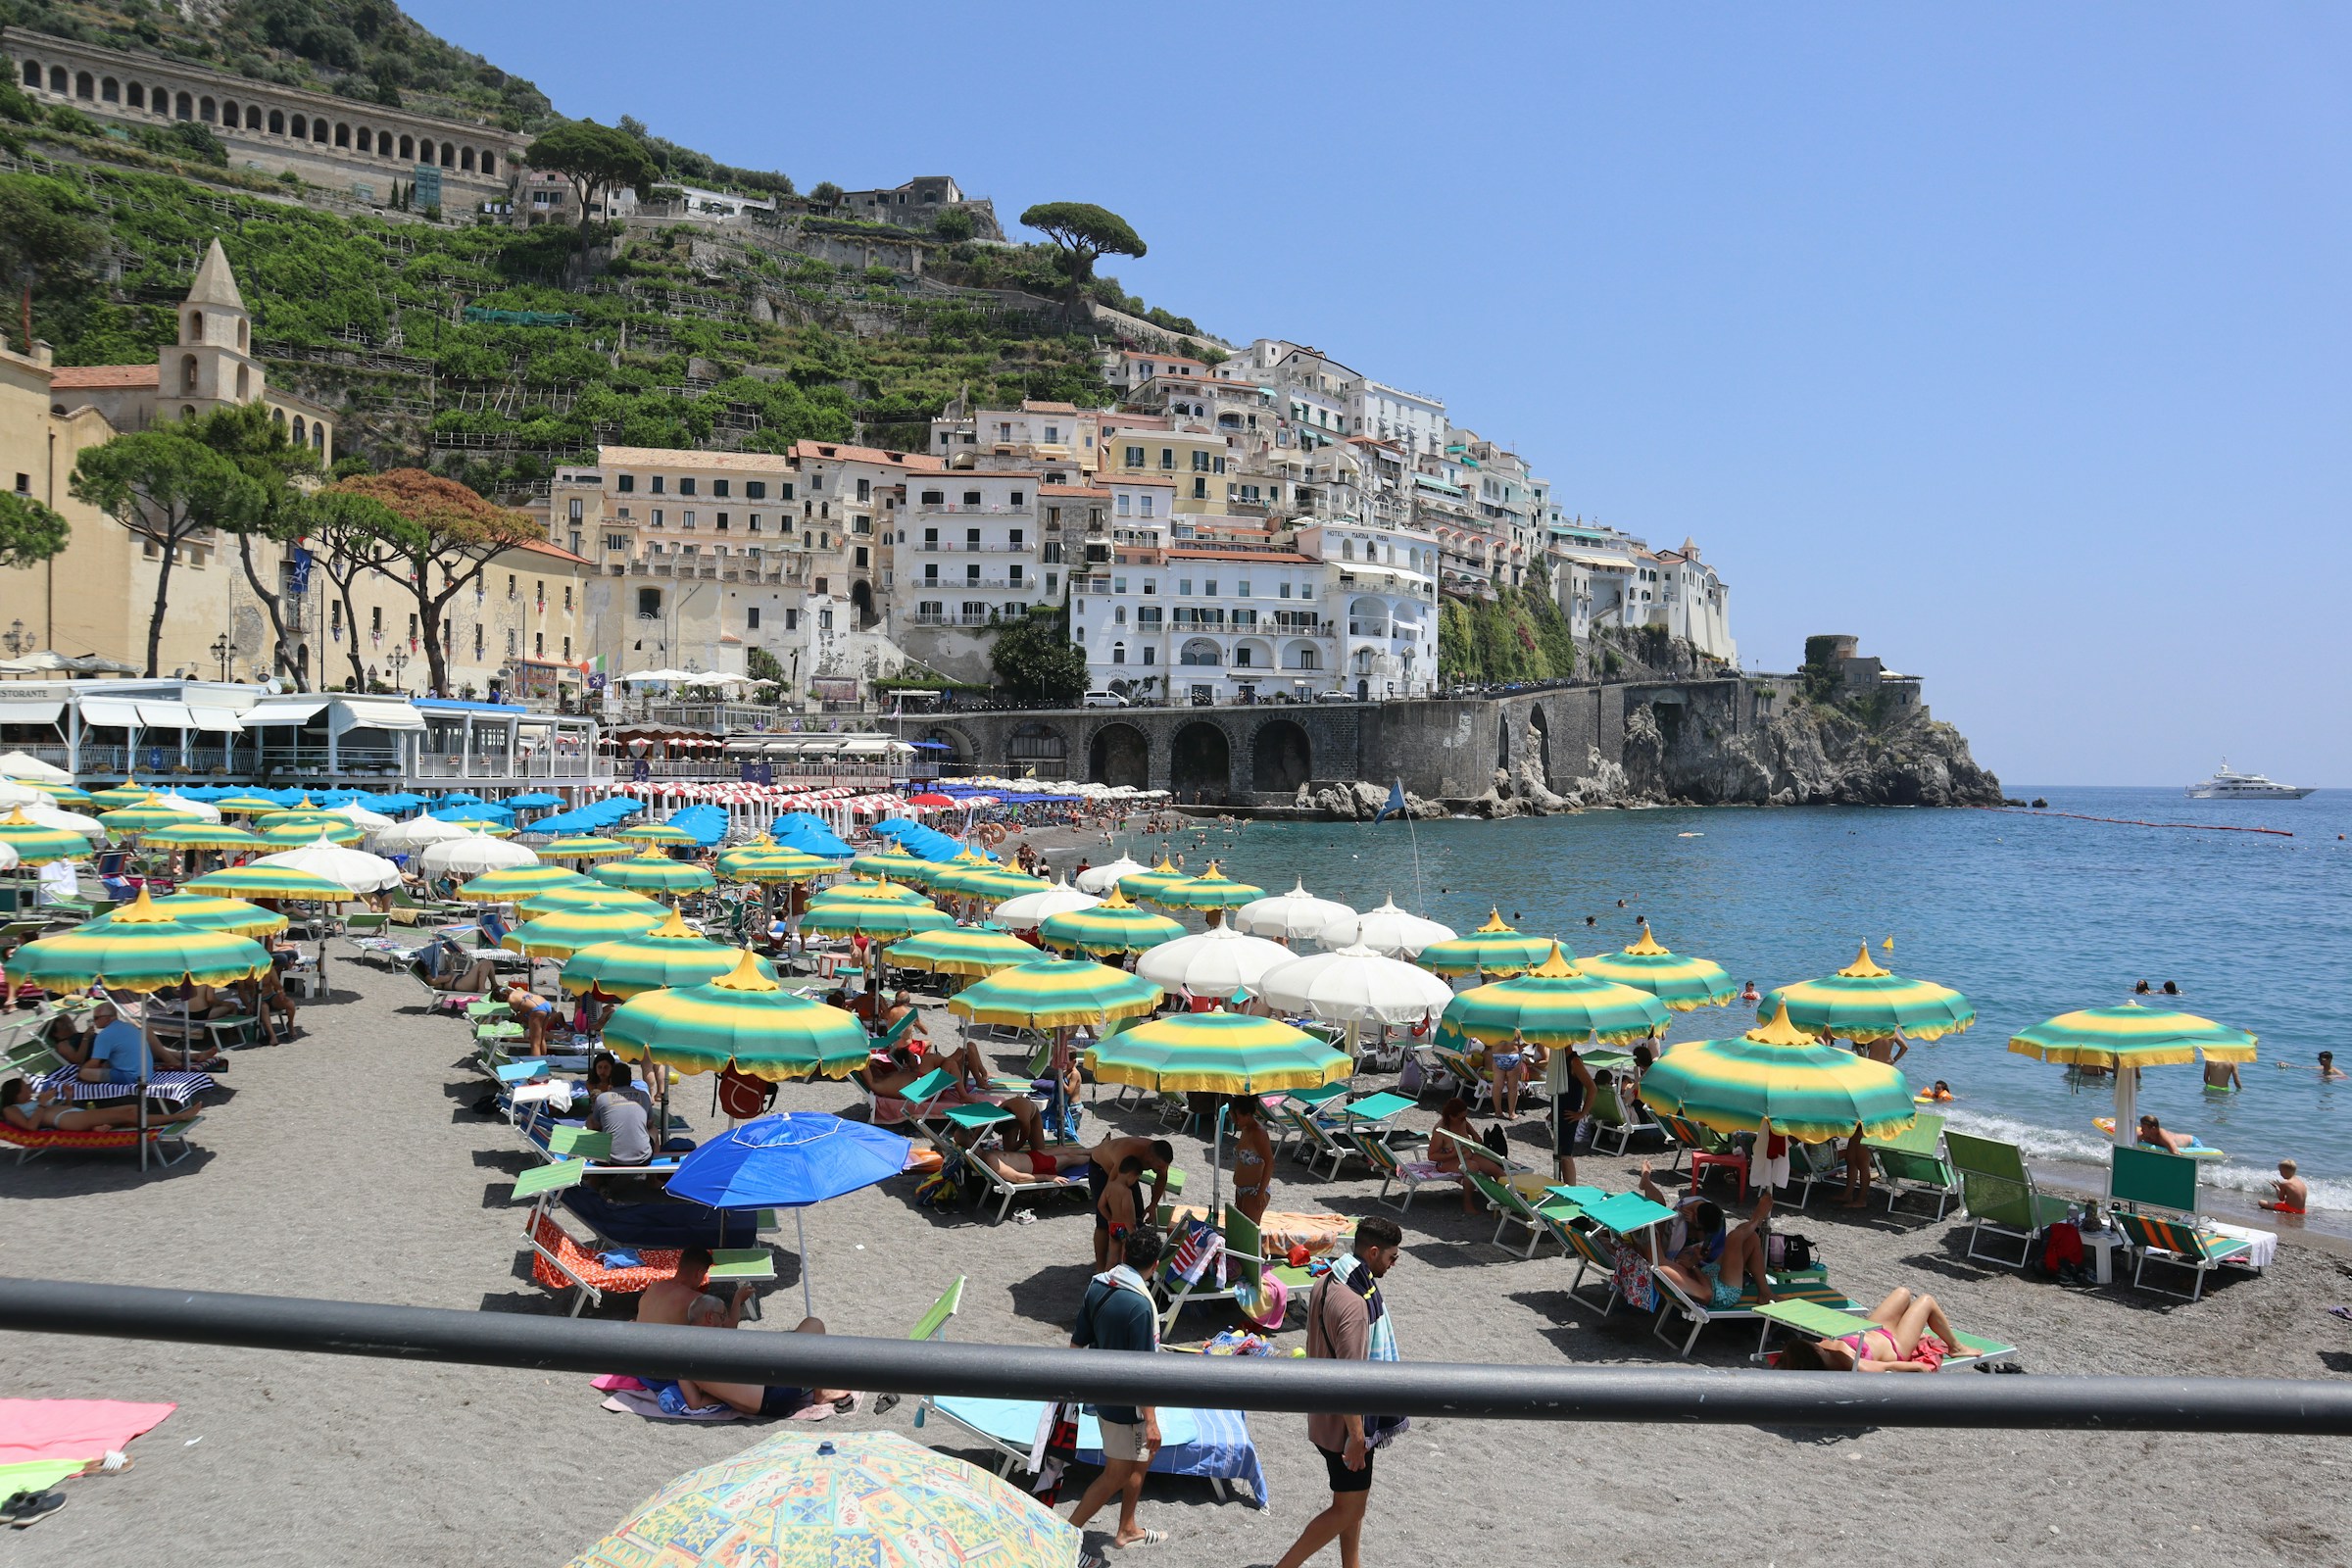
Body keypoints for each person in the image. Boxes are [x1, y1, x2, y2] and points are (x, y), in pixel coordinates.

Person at [1270, 1216, 1405, 1568]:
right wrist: (1357, 1437)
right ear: (1373, 1252)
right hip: (1344, 1428)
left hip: (1323, 1414)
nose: (1393, 1264)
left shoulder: (1329, 1279)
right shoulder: (1357, 1306)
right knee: (1348, 1508)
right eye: (1392, 1257)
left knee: (1350, 1502)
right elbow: (1351, 1380)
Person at [1064, 1226, 1167, 1551]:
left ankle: (1127, 1527)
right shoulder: (1139, 1305)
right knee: (1117, 1473)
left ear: (1124, 1255)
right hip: (1126, 1405)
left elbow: (1077, 1343)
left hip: (1101, 1389)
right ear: (1155, 1265)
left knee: (1140, 1459)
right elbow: (1143, 1372)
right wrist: (1151, 1421)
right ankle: (1064, 1533)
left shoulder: (1098, 1286)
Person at [1638, 1161, 1776, 1309]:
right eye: (1655, 1236)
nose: (1657, 1236)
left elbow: (1696, 1278)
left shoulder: (1662, 1264)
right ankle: (1756, 1219)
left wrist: (1695, 1263)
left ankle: (1765, 1293)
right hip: (1723, 1292)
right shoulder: (1662, 1267)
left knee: (1749, 1237)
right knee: (1736, 1237)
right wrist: (1695, 1266)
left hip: (1711, 1276)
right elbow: (1706, 1294)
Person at [671, 1313, 856, 1420]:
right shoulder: (713, 1345)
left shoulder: (681, 1358)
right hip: (775, 1387)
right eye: (722, 1316)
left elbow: (696, 1403)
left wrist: (729, 1399)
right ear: (709, 1317)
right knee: (813, 1324)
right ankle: (822, 1391)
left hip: (768, 1406)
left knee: (792, 1342)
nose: (726, 1323)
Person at [1774, 1287, 1958, 1372]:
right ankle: (1956, 1347)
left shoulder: (1817, 1352)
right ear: (1817, 1354)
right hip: (1895, 1346)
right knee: (1926, 1301)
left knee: (1903, 1293)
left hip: (1873, 1330)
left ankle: (1911, 1328)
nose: (1816, 1343)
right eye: (1815, 1346)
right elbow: (1904, 1367)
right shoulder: (1854, 1364)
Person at [1086, 1136, 1175, 1268]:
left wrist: (1153, 1205)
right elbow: (1112, 1187)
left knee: (1137, 1216)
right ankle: (1100, 1268)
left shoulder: (1158, 1157)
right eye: (1160, 1166)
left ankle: (1130, 1266)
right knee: (1103, 1223)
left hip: (1125, 1173)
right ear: (1149, 1158)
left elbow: (1162, 1178)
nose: (1162, 1169)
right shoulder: (1127, 1153)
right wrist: (1112, 1219)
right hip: (1102, 1167)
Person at [3, 1076, 202, 1132]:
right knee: (130, 1110)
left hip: (69, 1113)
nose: (29, 1088)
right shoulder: (10, 1109)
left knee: (130, 1113)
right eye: (24, 1087)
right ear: (15, 1094)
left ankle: (105, 1127)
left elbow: (54, 1108)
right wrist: (43, 1104)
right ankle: (178, 1116)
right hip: (65, 1120)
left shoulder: (35, 1102)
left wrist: (69, 1098)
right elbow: (30, 1127)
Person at [1428, 1098, 1506, 1215]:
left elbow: (1466, 1124)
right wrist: (1453, 1154)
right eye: (1462, 1117)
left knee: (1495, 1168)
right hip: (1447, 1162)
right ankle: (1467, 1204)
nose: (1464, 1119)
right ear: (1451, 1117)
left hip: (1466, 1155)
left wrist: (1474, 1134)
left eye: (1465, 1116)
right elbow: (1432, 1156)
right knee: (1472, 1167)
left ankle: (1510, 1199)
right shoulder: (1440, 1130)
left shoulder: (1461, 1120)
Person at [586, 1064, 655, 1166]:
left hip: (609, 1158)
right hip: (642, 1158)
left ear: (611, 1080)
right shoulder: (643, 1095)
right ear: (630, 1079)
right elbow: (650, 1122)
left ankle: (594, 1179)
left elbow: (596, 1125)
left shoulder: (603, 1098)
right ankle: (652, 1179)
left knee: (590, 1120)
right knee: (654, 1129)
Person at [1549, 1042, 1594, 1183]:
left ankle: (1571, 1189)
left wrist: (1582, 1113)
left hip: (1569, 1114)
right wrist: (1553, 1110)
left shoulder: (1574, 1061)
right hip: (1559, 1112)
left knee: (1565, 1154)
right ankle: (1564, 1186)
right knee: (1560, 1152)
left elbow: (1592, 1088)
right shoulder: (1559, 1060)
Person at [1230, 1094, 1275, 1225]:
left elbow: (1270, 1162)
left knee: (1248, 1234)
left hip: (1255, 1190)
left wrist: (1261, 1192)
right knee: (1239, 1229)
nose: (1235, 1121)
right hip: (1240, 1189)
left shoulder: (1259, 1133)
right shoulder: (1245, 1129)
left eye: (1238, 1117)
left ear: (1248, 1115)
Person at [1096, 1155, 1146, 1261]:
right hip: (1125, 1228)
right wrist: (1132, 1232)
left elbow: (1101, 1206)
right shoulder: (1126, 1192)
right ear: (1131, 1175)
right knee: (1125, 1258)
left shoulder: (1109, 1187)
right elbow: (1126, 1214)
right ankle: (1121, 1276)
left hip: (1114, 1226)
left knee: (1112, 1258)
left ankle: (1106, 1276)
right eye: (1136, 1179)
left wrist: (1109, 1219)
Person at [506, 983, 553, 1055]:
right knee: (541, 1038)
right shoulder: (516, 992)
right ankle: (543, 1060)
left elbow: (521, 1015)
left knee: (534, 1043)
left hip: (537, 1010)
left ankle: (536, 1065)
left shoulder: (510, 1001)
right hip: (545, 1003)